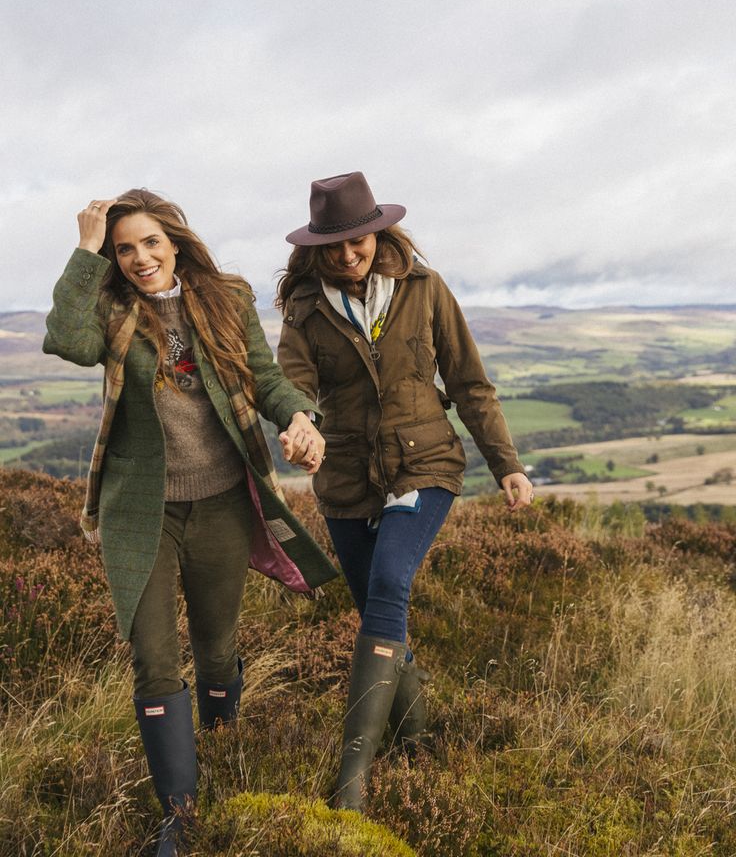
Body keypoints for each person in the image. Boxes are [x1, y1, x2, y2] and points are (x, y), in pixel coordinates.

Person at [43, 189, 336, 857]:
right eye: (124, 248)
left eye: (149, 242)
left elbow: (264, 379)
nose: (140, 258)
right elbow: (66, 340)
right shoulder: (112, 307)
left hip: (224, 504)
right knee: (153, 656)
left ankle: (225, 763)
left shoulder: (226, 298)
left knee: (215, 648)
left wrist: (298, 417)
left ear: (175, 239)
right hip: (140, 511)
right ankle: (180, 814)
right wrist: (85, 252)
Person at [275, 171, 534, 812]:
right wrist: (300, 422)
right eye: (331, 246)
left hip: (425, 466)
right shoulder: (305, 310)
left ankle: (351, 782)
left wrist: (506, 462)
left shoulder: (425, 289)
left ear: (378, 231)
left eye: (356, 241)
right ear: (315, 248)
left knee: (390, 585)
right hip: (345, 481)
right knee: (377, 614)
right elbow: (293, 387)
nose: (346, 256)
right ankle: (416, 750)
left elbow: (470, 383)